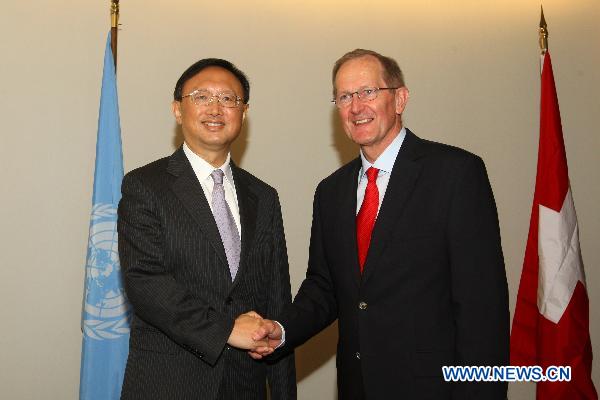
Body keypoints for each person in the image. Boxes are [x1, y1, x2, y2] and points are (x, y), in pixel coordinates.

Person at [252, 49, 509, 399]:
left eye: (368, 92)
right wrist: (280, 330)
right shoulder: (330, 192)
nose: (356, 107)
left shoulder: (455, 174)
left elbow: (482, 308)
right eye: (344, 97)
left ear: (400, 99)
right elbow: (324, 288)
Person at [117, 58, 296, 400]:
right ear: (177, 110)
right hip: (170, 383)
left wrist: (285, 393)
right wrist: (226, 329)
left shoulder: (264, 196)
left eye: (229, 99)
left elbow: (277, 298)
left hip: (246, 384)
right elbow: (145, 282)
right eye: (201, 97)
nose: (216, 108)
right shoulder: (145, 186)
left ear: (243, 113)